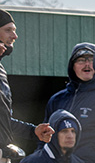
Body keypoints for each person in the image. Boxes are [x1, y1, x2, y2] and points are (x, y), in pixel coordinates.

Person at [0, 9, 54, 163]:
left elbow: (4, 122)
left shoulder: (1, 70)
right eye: (8, 30)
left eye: (14, 30)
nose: (15, 36)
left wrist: (33, 131)